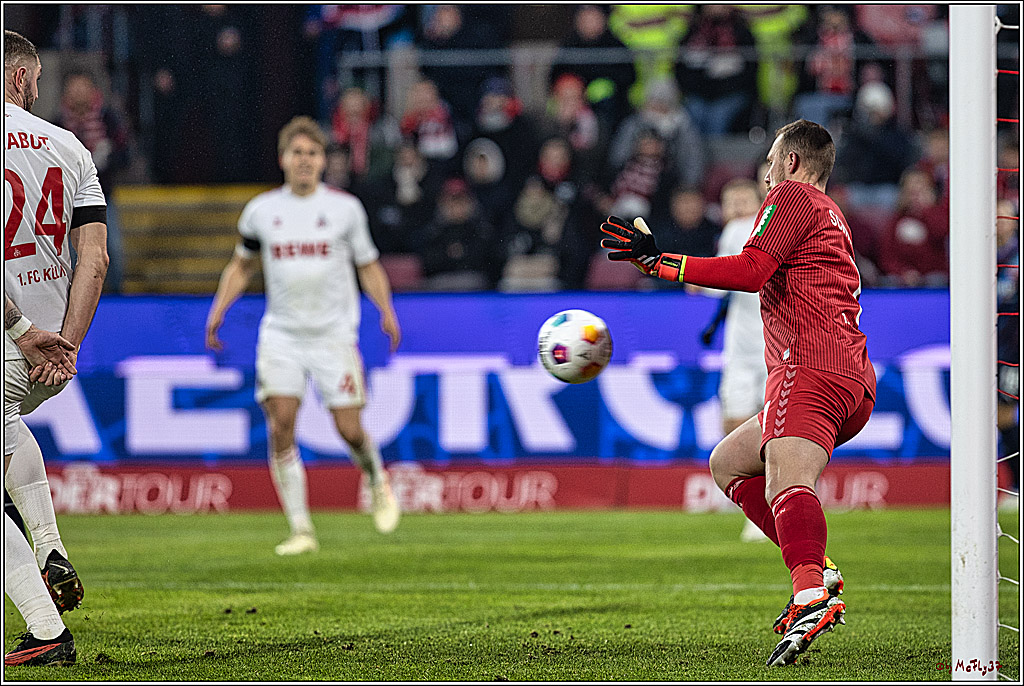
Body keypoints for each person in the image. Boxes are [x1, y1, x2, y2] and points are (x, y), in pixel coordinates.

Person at [599, 119, 874, 667]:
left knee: (787, 482)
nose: (766, 173)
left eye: (771, 161)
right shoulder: (830, 213)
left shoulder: (791, 196)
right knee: (727, 462)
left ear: (791, 162)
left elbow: (750, 271)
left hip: (809, 367)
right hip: (848, 377)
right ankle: (816, 570)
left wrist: (660, 262)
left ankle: (809, 594)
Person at [205, 116, 402, 556]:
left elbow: (368, 266)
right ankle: (301, 529)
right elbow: (242, 265)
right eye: (297, 153)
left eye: (313, 153)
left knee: (349, 429)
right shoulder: (261, 211)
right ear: (283, 159)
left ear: (323, 161)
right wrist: (218, 310)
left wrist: (386, 311)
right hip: (282, 335)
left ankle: (375, 476)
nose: (305, 160)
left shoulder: (345, 210)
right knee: (281, 422)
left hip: (334, 336)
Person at [5, 29, 110, 667]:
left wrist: (20, 329)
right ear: (22, 78)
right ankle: (47, 544)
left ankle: (47, 632)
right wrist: (65, 345)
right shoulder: (70, 147)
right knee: (7, 431)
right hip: (50, 358)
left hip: (11, 337)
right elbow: (94, 260)